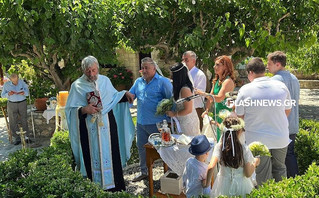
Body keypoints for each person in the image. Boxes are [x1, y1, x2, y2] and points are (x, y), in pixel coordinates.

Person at [65, 55, 135, 192]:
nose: (92, 74)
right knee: (91, 157)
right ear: (83, 70)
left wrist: (125, 93)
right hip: (88, 129)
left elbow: (113, 98)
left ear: (98, 68)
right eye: (88, 71)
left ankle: (116, 189)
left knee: (112, 154)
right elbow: (70, 110)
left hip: (108, 126)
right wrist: (85, 109)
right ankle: (95, 189)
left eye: (94, 70)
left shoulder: (105, 81)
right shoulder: (77, 85)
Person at [235, 57, 292, 185]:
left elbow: (240, 117)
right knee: (280, 169)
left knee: (262, 174)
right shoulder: (281, 86)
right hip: (280, 137)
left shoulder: (245, 90)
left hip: (257, 140)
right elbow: (288, 110)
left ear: (250, 73)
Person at [129, 57, 173, 182]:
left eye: (146, 68)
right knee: (141, 148)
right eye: (142, 68)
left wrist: (170, 120)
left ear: (154, 68)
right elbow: (131, 96)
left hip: (157, 124)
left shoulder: (163, 82)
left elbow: (171, 101)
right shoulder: (138, 82)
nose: (144, 70)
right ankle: (144, 172)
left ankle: (170, 174)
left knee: (164, 149)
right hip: (141, 123)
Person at [207, 116, 260, 197]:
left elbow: (211, 167)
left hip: (223, 185)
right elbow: (248, 173)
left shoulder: (220, 147)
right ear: (239, 131)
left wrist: (207, 184)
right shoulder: (244, 149)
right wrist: (255, 162)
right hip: (242, 185)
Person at [267, 51, 300, 178]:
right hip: (293, 124)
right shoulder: (294, 78)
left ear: (278, 64)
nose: (267, 67)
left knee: (278, 160)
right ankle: (294, 182)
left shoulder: (275, 80)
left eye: (269, 64)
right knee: (289, 155)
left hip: (280, 125)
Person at [196, 55, 235, 141]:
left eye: (217, 65)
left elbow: (219, 98)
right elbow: (211, 98)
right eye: (215, 64)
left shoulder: (228, 81)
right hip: (217, 114)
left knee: (224, 140)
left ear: (226, 67)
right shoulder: (216, 81)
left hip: (226, 115)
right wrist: (206, 110)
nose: (214, 67)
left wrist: (202, 93)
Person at [166, 63, 200, 136]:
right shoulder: (180, 88)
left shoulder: (185, 90)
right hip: (182, 120)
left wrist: (174, 114)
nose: (171, 77)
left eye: (172, 75)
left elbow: (188, 109)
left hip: (188, 122)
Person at [1, 73, 30, 145]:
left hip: (22, 103)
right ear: (10, 80)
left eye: (17, 80)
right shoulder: (6, 85)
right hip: (11, 104)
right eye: (14, 81)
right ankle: (17, 138)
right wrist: (8, 94)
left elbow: (28, 93)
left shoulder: (22, 82)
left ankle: (26, 137)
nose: (16, 82)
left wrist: (24, 93)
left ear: (18, 78)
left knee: (24, 118)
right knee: (12, 120)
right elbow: (2, 95)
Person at [182, 51, 207, 130]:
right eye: (182, 60)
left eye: (186, 60)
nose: (183, 62)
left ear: (194, 61)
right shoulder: (182, 73)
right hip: (184, 109)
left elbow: (199, 94)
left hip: (196, 110)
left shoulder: (199, 74)